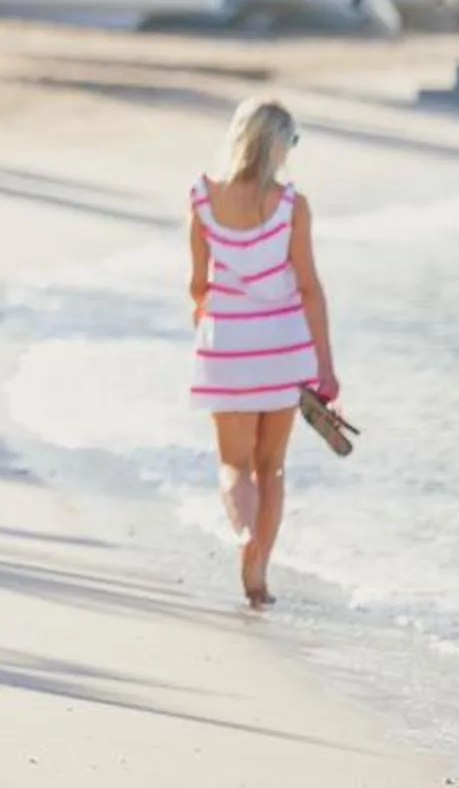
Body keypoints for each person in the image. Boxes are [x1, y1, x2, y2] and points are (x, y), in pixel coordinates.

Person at [184, 96, 337, 608]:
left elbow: (197, 285)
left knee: (233, 467)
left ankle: (244, 534)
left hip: (227, 346)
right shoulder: (292, 206)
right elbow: (309, 288)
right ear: (277, 147)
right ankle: (259, 575)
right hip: (284, 349)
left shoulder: (203, 198)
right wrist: (325, 368)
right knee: (270, 468)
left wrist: (208, 325)